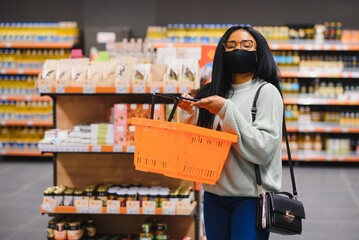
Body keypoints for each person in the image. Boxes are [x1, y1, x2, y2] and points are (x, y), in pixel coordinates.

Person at [178, 25, 284, 240]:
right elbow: (196, 144)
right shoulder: (211, 92)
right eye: (232, 45)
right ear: (222, 52)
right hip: (214, 196)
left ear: (258, 54)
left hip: (250, 198)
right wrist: (189, 113)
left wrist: (226, 110)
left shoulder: (266, 92)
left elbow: (263, 149)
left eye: (247, 45)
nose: (239, 50)